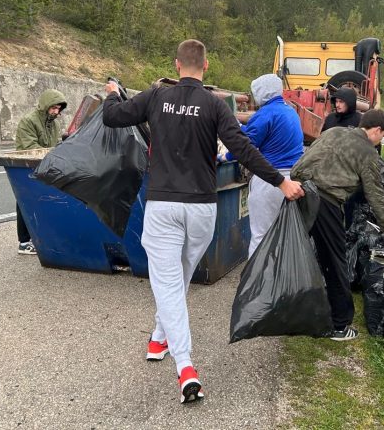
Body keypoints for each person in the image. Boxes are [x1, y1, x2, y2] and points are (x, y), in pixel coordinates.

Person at [102, 39, 304, 404]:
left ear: (177, 65)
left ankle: (185, 366)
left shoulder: (154, 97)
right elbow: (244, 149)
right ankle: (159, 338)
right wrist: (282, 181)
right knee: (175, 280)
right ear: (205, 66)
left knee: (167, 283)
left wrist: (113, 94)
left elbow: (112, 117)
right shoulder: (214, 105)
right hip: (201, 210)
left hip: (163, 205)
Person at [290, 109, 384, 340]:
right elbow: (375, 193)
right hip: (326, 202)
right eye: (383, 136)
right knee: (336, 261)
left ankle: (290, 305)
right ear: (376, 130)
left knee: (298, 252)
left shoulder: (333, 131)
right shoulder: (367, 152)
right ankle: (339, 325)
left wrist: (297, 185)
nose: (381, 140)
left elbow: (303, 160)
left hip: (300, 193)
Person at [219, 73, 304, 257]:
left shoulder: (265, 114)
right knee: (283, 235)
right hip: (293, 180)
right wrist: (240, 129)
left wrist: (223, 157)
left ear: (262, 92)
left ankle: (257, 281)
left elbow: (244, 147)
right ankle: (281, 280)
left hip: (270, 181)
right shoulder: (290, 112)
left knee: (261, 235)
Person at [13, 89, 67, 255]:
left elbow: (54, 145)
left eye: (59, 109)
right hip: (26, 167)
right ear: (45, 105)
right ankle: (23, 242)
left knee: (44, 201)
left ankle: (42, 238)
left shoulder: (55, 123)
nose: (56, 112)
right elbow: (29, 148)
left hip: (45, 166)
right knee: (24, 203)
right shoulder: (28, 121)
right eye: (53, 108)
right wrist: (53, 156)